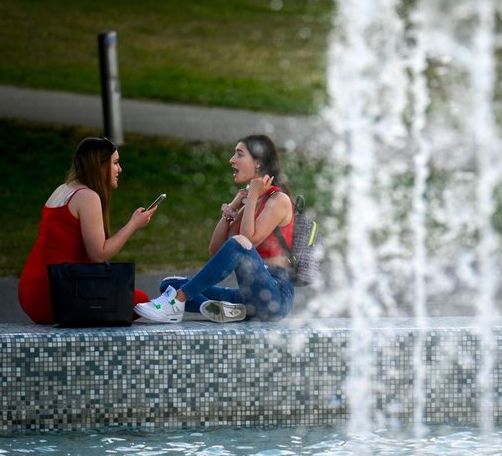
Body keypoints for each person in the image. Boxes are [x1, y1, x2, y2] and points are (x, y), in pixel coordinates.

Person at [134, 134, 295, 324]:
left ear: (258, 163)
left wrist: (251, 197)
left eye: (239, 154)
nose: (231, 160)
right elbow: (217, 250)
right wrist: (232, 209)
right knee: (169, 284)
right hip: (248, 298)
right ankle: (229, 310)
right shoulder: (253, 201)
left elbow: (246, 242)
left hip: (274, 298)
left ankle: (178, 301)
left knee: (238, 245)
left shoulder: (278, 200)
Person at [18, 136, 158, 324]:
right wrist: (133, 224)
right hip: (54, 295)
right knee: (140, 301)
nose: (120, 169)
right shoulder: (87, 197)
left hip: (30, 290)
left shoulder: (64, 189)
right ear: (99, 166)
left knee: (131, 297)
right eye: (115, 163)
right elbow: (99, 254)